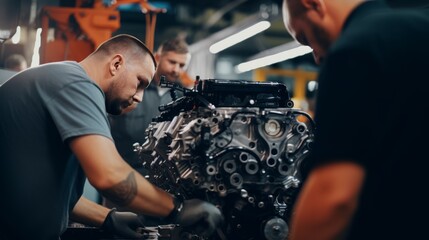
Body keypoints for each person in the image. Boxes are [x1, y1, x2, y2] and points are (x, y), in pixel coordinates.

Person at [0, 34, 222, 240]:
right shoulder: (76, 84)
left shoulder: (65, 80)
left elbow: (59, 198)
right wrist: (177, 209)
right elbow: (109, 176)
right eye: (140, 83)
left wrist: (106, 217)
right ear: (116, 64)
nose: (139, 98)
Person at [282, 0, 429, 239]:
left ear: (313, 4)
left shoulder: (356, 50)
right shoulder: (420, 26)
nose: (317, 58)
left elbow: (334, 197)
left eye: (306, 38)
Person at [109, 38, 191, 172]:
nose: (176, 69)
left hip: (164, 175)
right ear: (158, 58)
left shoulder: (185, 98)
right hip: (122, 169)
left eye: (182, 65)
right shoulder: (132, 86)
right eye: (172, 62)